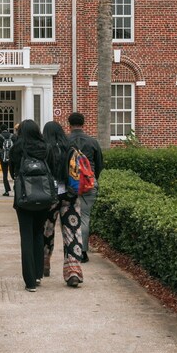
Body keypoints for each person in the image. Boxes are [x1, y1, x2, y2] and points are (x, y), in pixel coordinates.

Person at [10, 119, 52, 292]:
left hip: (25, 197)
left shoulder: (17, 148)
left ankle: (30, 282)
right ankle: (37, 274)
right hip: (43, 196)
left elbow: (13, 172)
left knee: (26, 237)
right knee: (38, 234)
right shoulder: (45, 148)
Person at [42, 120, 83, 287]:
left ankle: (44, 262)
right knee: (72, 232)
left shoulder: (44, 150)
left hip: (49, 197)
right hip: (70, 196)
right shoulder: (71, 149)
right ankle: (73, 271)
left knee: (46, 230)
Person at [68, 112, 104, 263]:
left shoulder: (65, 141)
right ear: (83, 124)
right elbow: (100, 164)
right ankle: (83, 252)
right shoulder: (92, 142)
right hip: (89, 183)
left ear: (69, 124)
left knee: (70, 219)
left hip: (70, 184)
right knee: (85, 218)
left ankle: (71, 250)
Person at [0, 123, 16, 196]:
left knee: (5, 174)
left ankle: (7, 191)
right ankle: (16, 188)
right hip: (12, 158)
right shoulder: (13, 136)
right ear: (7, 129)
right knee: (15, 173)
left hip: (3, 158)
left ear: (1, 129)